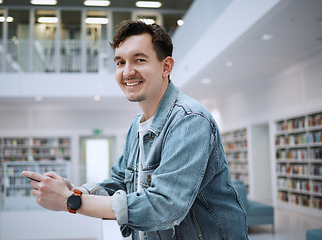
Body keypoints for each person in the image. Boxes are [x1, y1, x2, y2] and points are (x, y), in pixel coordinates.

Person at [22, 20, 248, 239]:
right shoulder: (137, 125)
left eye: (139, 60)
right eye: (120, 62)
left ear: (166, 66)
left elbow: (165, 205)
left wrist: (72, 202)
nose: (127, 72)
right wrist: (75, 192)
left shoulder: (190, 120)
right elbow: (120, 181)